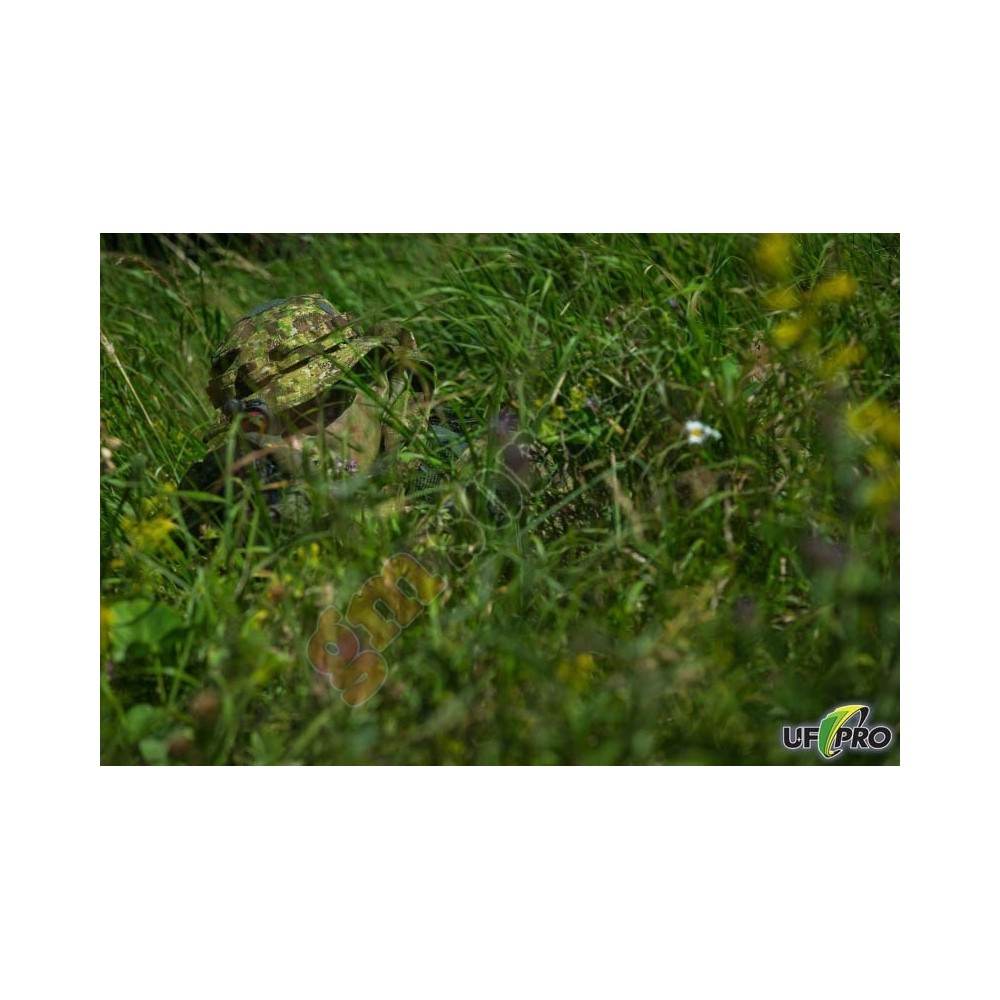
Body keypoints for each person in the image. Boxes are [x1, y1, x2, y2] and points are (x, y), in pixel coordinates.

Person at [180, 294, 436, 534]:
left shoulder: (448, 477)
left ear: (377, 386)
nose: (293, 446)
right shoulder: (259, 510)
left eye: (315, 411)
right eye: (265, 428)